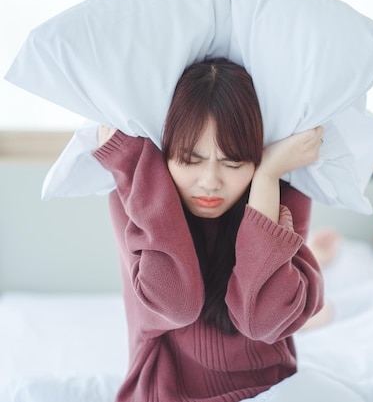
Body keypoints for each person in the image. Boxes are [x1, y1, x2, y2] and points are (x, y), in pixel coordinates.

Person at [93, 58, 325, 402]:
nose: (210, 183)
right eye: (190, 160)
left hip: (273, 392)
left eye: (234, 163)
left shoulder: (281, 196)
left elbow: (262, 321)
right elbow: (175, 305)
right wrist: (133, 162)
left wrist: (266, 178)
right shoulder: (139, 197)